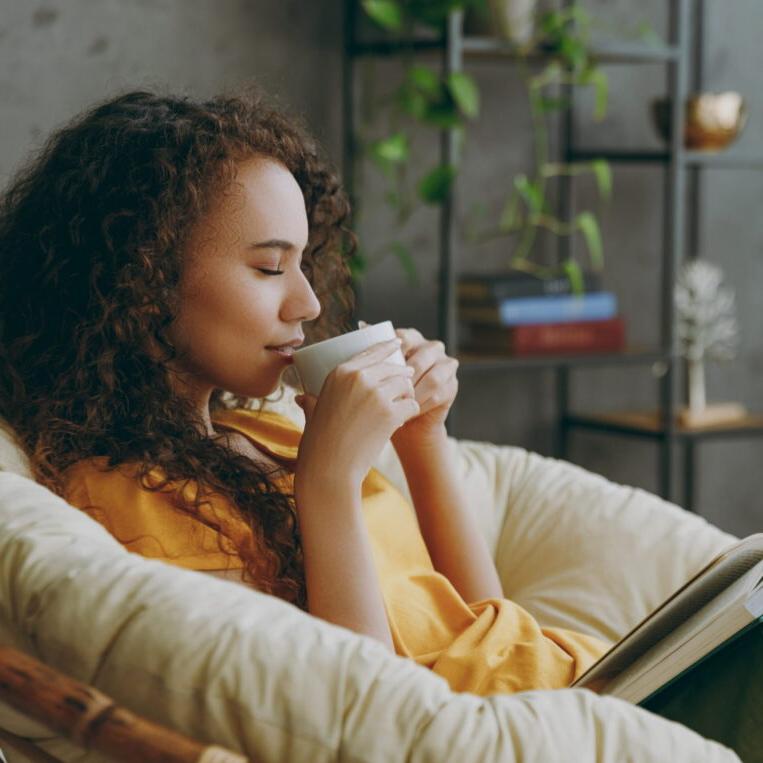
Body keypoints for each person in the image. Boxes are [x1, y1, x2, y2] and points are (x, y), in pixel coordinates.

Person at [0, 86, 610, 696]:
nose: (309, 303)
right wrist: (327, 483)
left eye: (303, 264)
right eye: (269, 268)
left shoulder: (270, 431)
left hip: (583, 689)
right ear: (142, 276)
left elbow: (485, 627)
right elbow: (355, 716)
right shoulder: (136, 501)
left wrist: (423, 440)